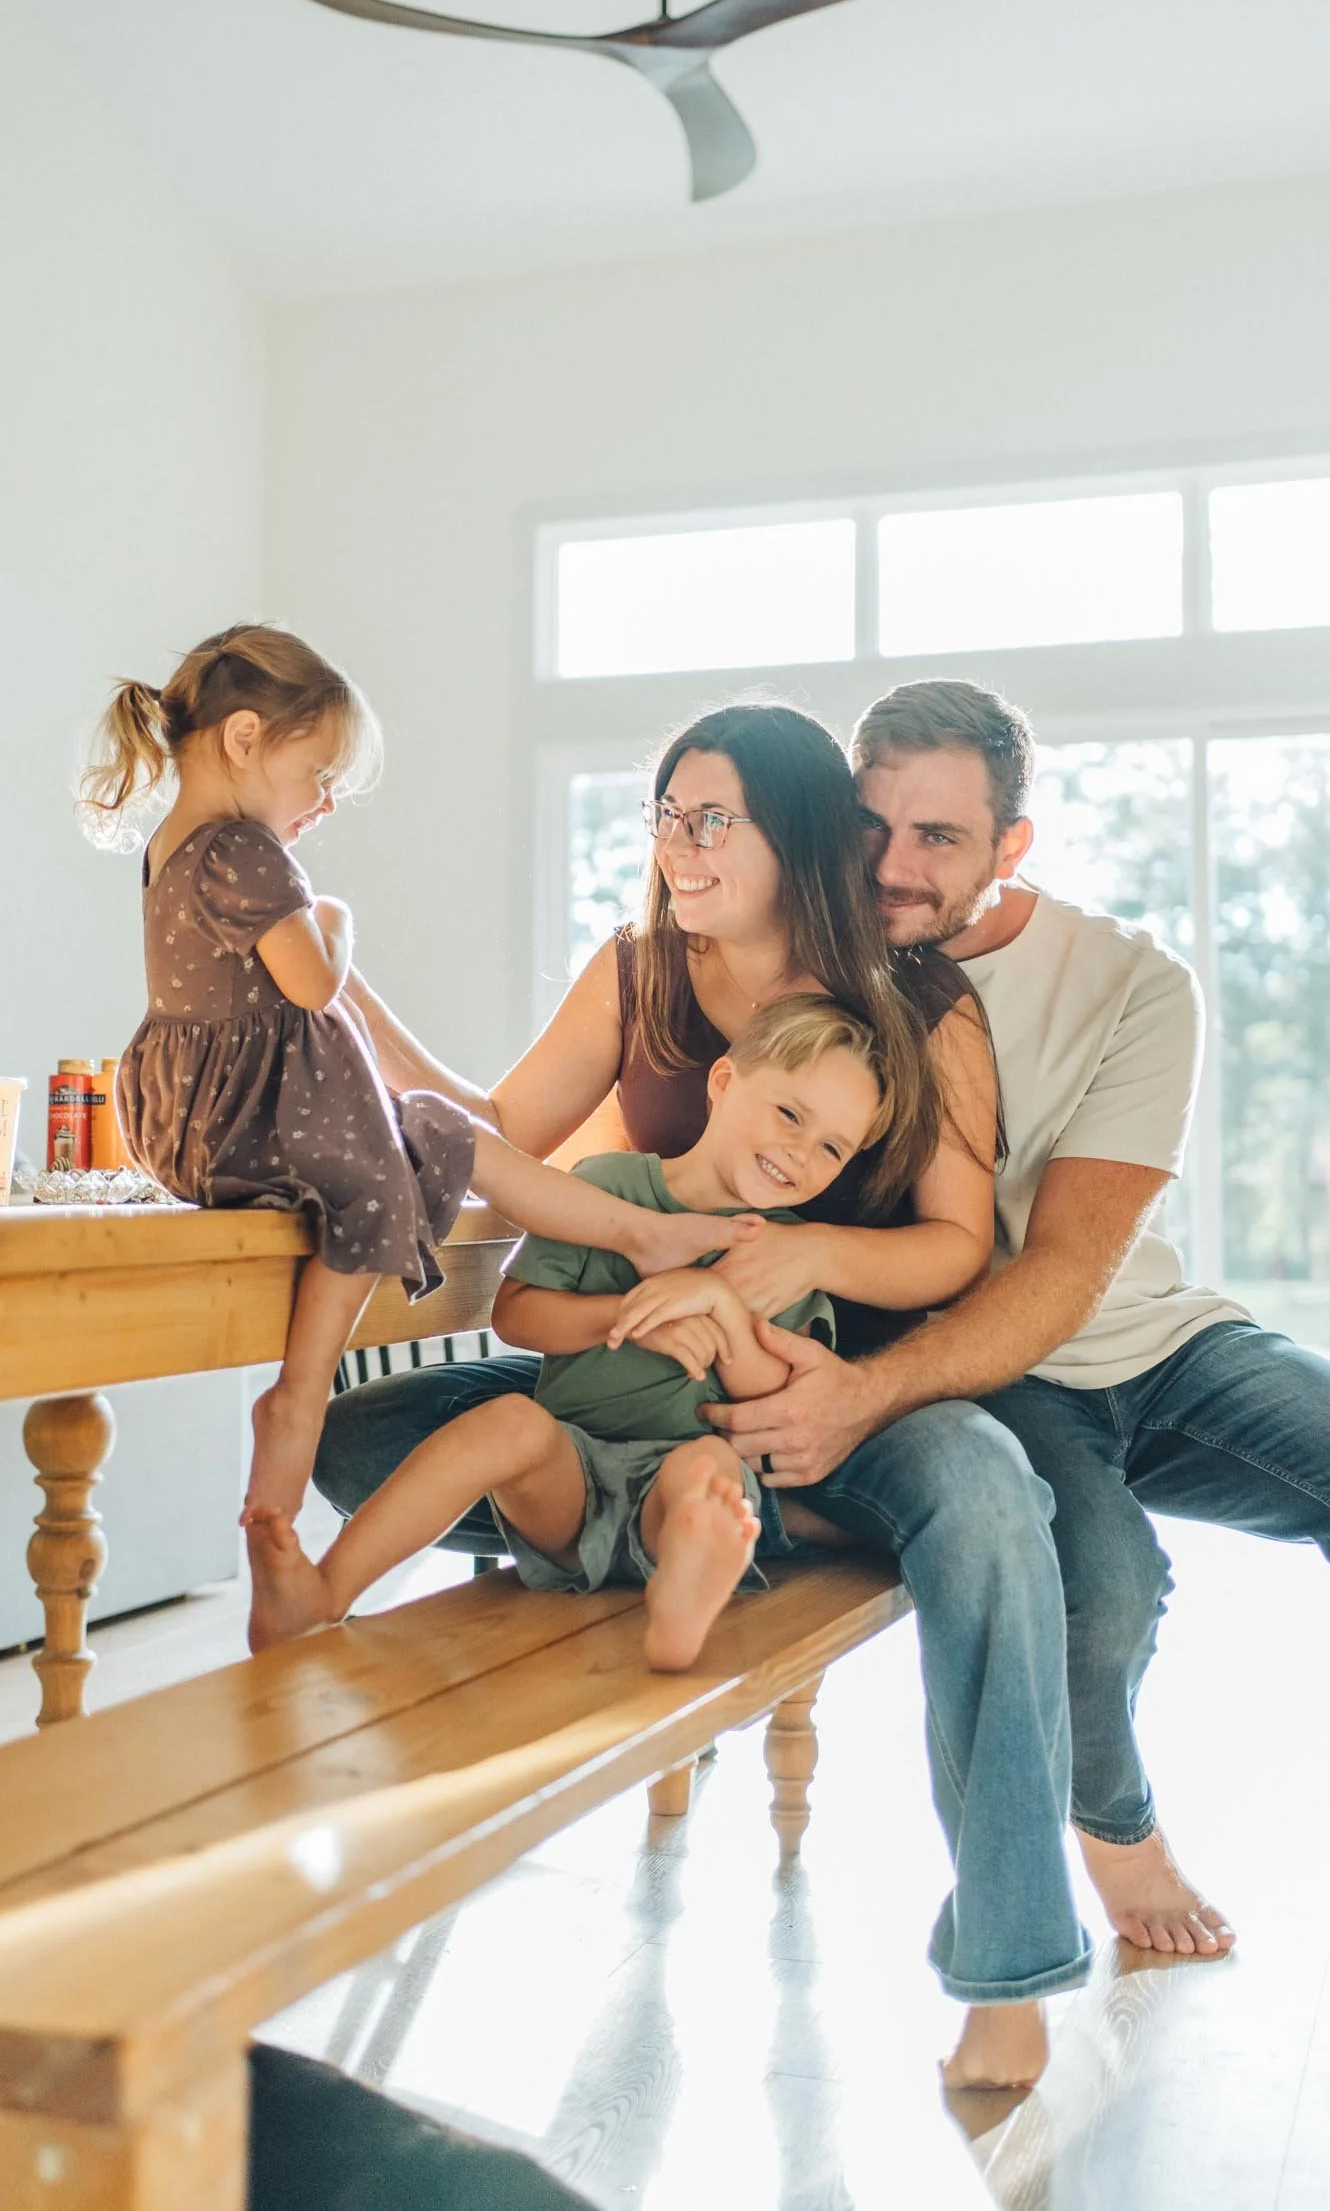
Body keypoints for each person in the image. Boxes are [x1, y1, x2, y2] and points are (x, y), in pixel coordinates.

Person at [701, 674, 1330, 2063]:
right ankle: (1121, 1831)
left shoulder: (1132, 983)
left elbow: (1069, 1270)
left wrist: (865, 1397)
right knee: (1108, 1581)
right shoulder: (823, 976)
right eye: (875, 826)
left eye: (940, 836)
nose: (897, 865)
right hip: (995, 1377)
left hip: (1146, 1335)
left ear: (1013, 844)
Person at [318, 700, 1085, 2091]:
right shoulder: (638, 972)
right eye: (667, 815)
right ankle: (687, 1521)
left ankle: (1013, 1960)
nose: (680, 844)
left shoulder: (917, 1001)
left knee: (980, 1488)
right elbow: (493, 1132)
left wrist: (795, 1260)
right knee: (358, 1435)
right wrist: (341, 997)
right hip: (646, 1381)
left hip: (837, 1389)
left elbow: (961, 1241)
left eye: (712, 818)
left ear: (792, 837)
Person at [79, 623, 758, 1627]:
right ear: (244, 739)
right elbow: (314, 984)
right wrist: (337, 922)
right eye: (317, 777)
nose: (320, 805)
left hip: (186, 1121)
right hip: (246, 1118)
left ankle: (625, 1234)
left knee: (438, 1131)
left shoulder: (174, 844)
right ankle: (304, 1387)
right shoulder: (245, 849)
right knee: (383, 1172)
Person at [248, 994, 933, 1671]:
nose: (801, 1153)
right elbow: (515, 1316)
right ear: (724, 1083)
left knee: (709, 1476)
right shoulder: (606, 1190)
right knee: (508, 1422)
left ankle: (686, 1587)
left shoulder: (786, 1249)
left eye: (832, 1149)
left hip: (683, 1475)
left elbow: (775, 1398)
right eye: (790, 1114)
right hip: (570, 1474)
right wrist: (627, 1318)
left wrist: (723, 1311)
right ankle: (321, 1592)